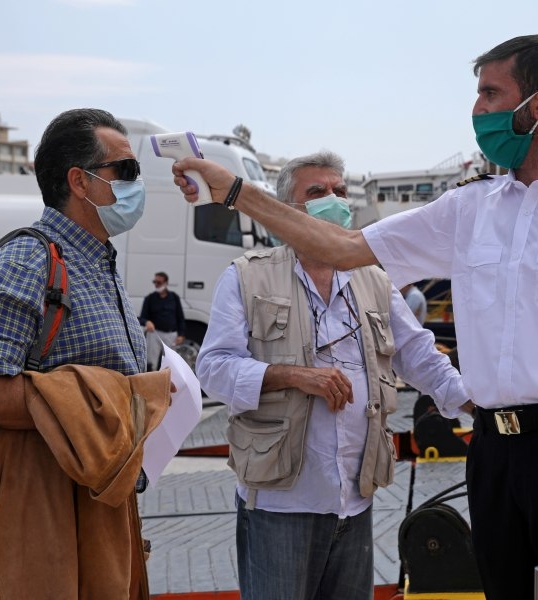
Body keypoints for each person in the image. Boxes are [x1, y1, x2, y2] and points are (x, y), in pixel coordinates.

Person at [172, 35, 538, 599]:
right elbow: (344, 247)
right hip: (493, 452)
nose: (477, 110)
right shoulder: (467, 208)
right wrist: (236, 193)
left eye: (491, 93)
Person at [196, 151, 468, 600]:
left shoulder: (372, 279)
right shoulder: (247, 277)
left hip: (354, 500)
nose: (334, 199)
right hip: (282, 502)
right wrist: (294, 375)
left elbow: (418, 353)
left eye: (339, 190)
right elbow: (213, 369)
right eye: (317, 192)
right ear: (288, 210)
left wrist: (474, 401)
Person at [0, 108, 169, 599]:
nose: (136, 184)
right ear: (79, 182)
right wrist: (110, 402)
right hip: (43, 510)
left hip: (96, 504)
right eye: (125, 171)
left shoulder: (96, 263)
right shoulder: (28, 261)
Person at [140, 271, 186, 370]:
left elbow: (180, 317)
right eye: (155, 282)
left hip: (171, 334)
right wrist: (147, 322)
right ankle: (151, 382)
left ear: (166, 283)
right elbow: (142, 318)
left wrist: (181, 334)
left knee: (171, 362)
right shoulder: (150, 298)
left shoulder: (174, 298)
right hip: (155, 333)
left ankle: (169, 383)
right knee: (151, 362)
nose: (156, 285)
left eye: (159, 282)